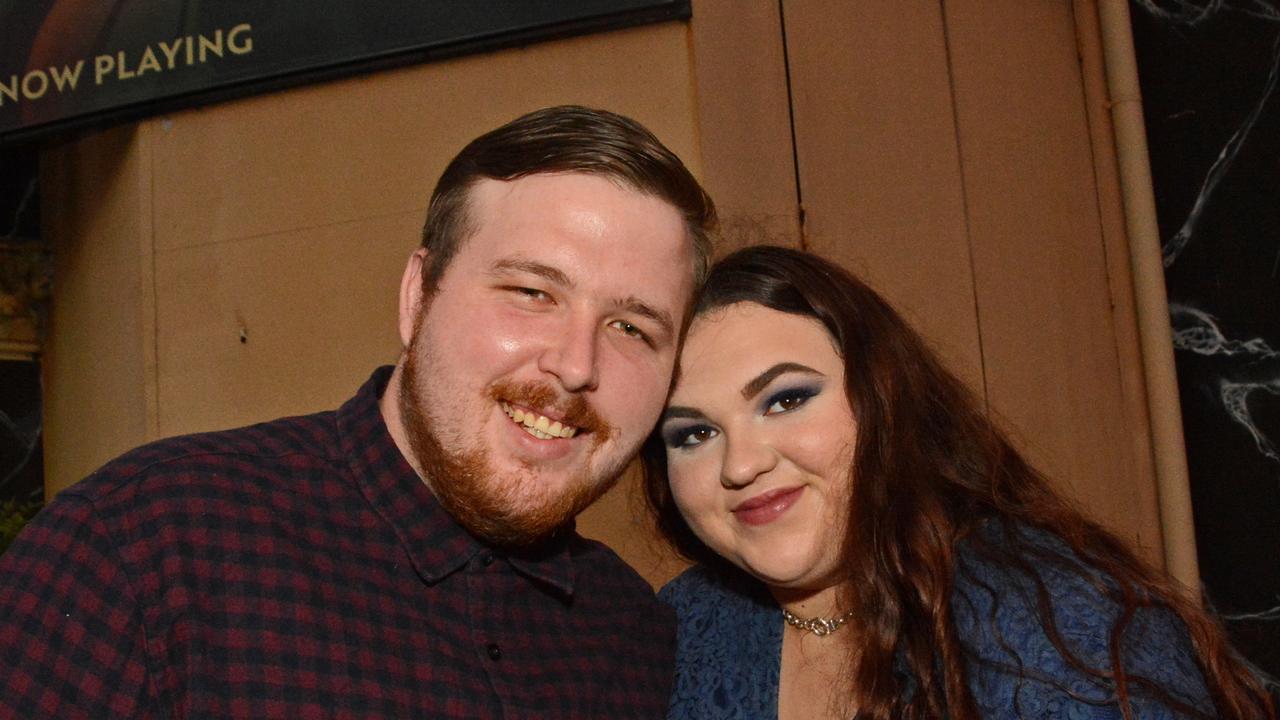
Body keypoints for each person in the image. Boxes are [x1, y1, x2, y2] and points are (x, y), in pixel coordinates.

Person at [0, 105, 717, 718]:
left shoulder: (638, 642)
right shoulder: (146, 545)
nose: (576, 364)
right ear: (418, 296)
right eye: (532, 293)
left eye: (633, 328)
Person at [643, 245, 1275, 720]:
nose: (740, 465)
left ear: (884, 399)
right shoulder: (684, 625)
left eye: (785, 400)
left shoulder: (1053, 621)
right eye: (693, 435)